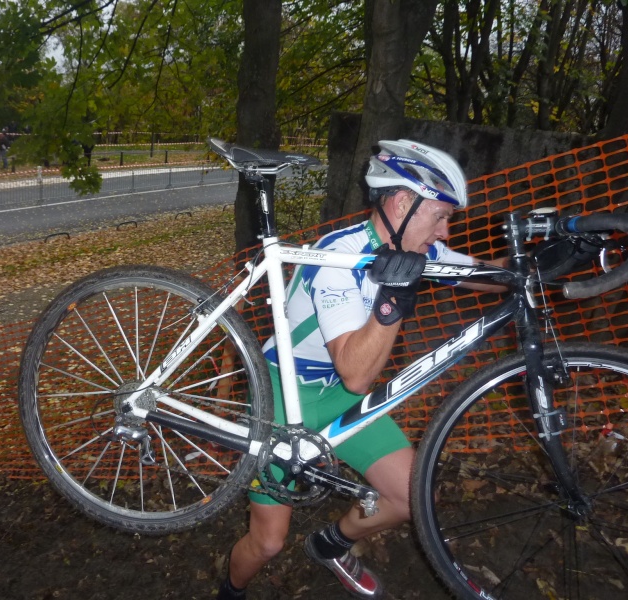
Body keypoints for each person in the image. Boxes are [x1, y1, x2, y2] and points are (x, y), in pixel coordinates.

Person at [217, 140, 507, 600]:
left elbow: (483, 273)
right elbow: (356, 372)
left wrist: (546, 270)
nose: (446, 233)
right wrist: (393, 300)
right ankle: (230, 591)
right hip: (282, 393)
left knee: (414, 498)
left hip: (336, 394)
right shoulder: (340, 257)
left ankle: (331, 545)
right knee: (268, 542)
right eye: (441, 216)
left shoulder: (416, 251)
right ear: (401, 204)